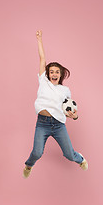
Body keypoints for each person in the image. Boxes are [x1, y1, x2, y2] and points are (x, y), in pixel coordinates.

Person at [23, 30, 88, 178]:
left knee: (69, 155)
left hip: (58, 124)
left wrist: (75, 116)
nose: (54, 74)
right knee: (37, 152)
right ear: (47, 74)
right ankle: (28, 165)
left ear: (61, 74)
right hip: (42, 123)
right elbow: (42, 58)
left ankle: (81, 159)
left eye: (56, 72)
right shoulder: (43, 81)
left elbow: (68, 110)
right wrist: (39, 40)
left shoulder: (65, 90)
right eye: (51, 72)